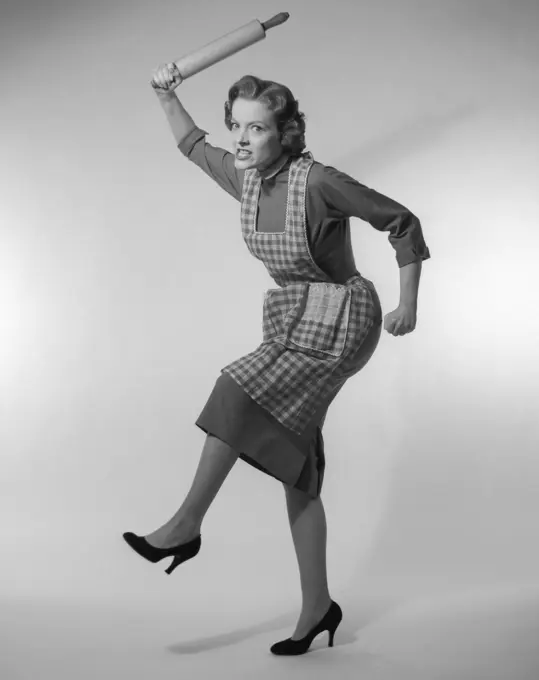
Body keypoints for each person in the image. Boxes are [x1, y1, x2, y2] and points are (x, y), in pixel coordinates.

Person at [123, 62, 431, 655]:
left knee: (235, 389)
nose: (241, 140)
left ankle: (186, 525)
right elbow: (192, 145)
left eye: (257, 129)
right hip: (293, 317)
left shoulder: (317, 183)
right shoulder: (243, 176)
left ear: (284, 134)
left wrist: (407, 304)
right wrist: (166, 94)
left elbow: (401, 222)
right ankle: (319, 607)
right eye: (236, 126)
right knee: (299, 468)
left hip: (342, 318)